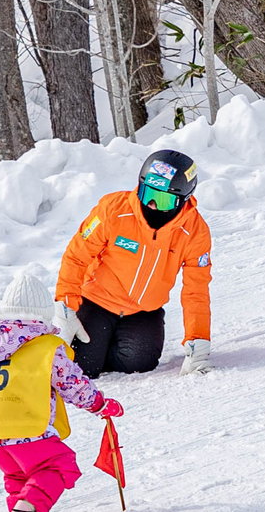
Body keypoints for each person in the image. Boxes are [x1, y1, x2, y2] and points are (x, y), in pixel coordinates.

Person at [0, 272, 124, 512]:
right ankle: (28, 511)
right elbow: (72, 383)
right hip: (28, 426)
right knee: (59, 464)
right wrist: (100, 405)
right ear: (43, 316)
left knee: (18, 474)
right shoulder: (46, 346)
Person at [54, 149, 213, 379]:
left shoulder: (194, 231)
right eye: (148, 193)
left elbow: (196, 289)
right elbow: (77, 256)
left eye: (163, 199)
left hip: (143, 310)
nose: (152, 206)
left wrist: (198, 340)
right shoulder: (113, 210)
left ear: (183, 200)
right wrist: (66, 307)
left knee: (138, 363)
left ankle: (108, 343)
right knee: (82, 367)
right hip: (97, 300)